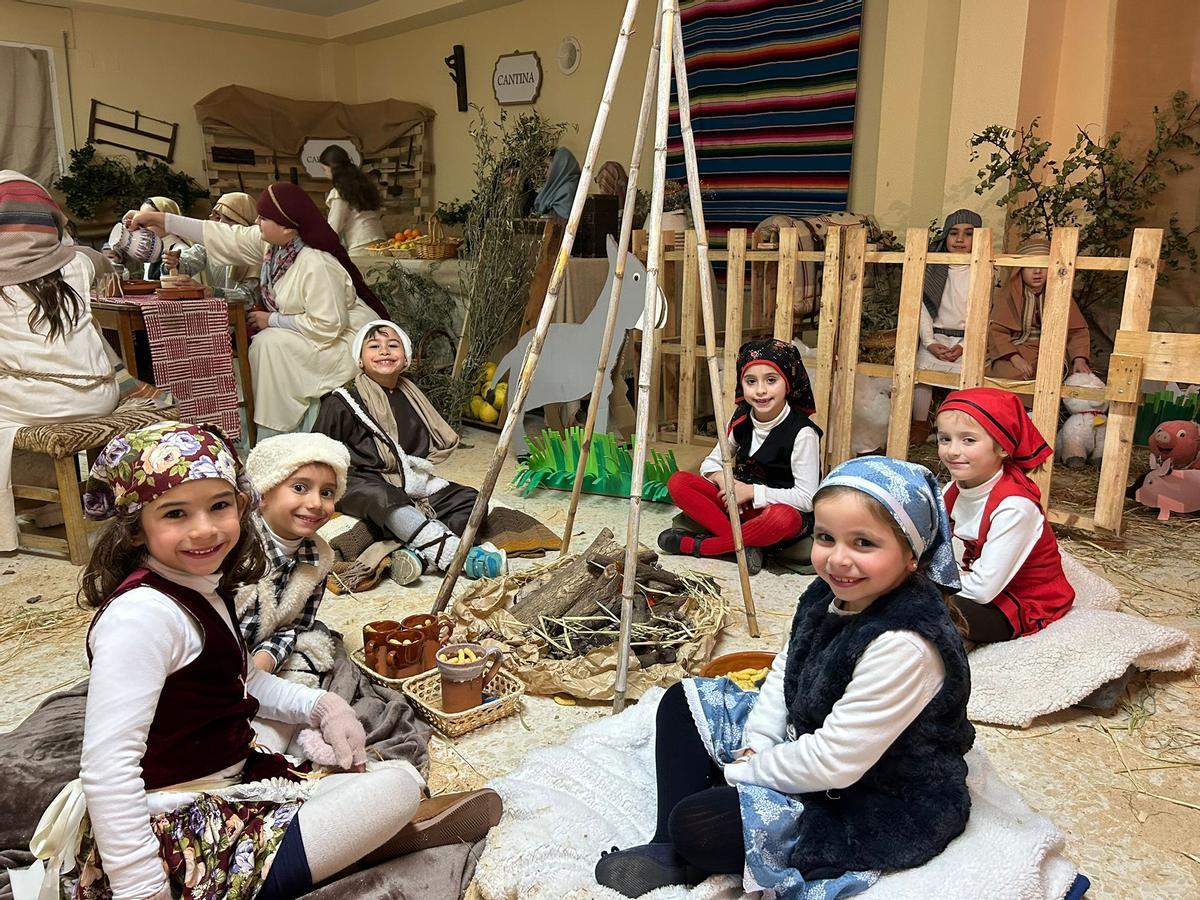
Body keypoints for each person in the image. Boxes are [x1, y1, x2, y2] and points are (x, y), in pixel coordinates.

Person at [29, 420, 499, 900]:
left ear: (240, 505)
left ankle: (335, 840)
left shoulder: (200, 586)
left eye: (218, 506)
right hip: (174, 833)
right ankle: (325, 854)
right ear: (134, 529)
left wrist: (323, 706)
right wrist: (143, 888)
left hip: (220, 780)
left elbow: (240, 681)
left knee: (374, 775)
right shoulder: (142, 616)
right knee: (395, 789)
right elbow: (109, 770)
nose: (205, 529)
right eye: (175, 514)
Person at [596, 456, 973, 897]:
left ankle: (685, 840)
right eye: (826, 538)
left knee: (699, 823)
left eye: (864, 544)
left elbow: (835, 762)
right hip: (808, 741)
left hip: (874, 791)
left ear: (912, 556)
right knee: (682, 701)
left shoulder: (906, 645)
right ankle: (667, 847)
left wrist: (745, 772)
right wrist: (758, 741)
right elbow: (785, 670)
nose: (838, 559)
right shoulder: (825, 591)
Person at [125, 182, 390, 436]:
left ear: (287, 227)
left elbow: (328, 325)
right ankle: (276, 432)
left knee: (269, 345)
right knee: (267, 345)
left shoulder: (316, 263)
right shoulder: (274, 248)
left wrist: (272, 319)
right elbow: (224, 235)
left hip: (344, 339)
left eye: (263, 218)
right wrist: (161, 220)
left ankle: (284, 432)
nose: (256, 222)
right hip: (313, 332)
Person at [314, 320, 504, 581]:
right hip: (362, 480)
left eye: (393, 345)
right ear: (360, 360)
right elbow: (318, 449)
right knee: (383, 498)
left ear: (405, 359)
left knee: (469, 499)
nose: (384, 351)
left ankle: (417, 554)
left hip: (408, 477)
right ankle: (448, 553)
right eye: (374, 346)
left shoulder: (412, 395)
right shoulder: (342, 402)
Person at [0, 170, 118, 553]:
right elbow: (102, 261)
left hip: (39, 404)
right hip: (98, 395)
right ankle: (49, 505)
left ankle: (32, 499)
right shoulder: (78, 265)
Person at [657, 339, 820, 574]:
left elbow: (807, 498)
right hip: (736, 504)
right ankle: (746, 544)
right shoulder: (741, 418)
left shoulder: (802, 433)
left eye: (771, 380)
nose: (760, 390)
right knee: (679, 482)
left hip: (776, 508)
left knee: (783, 518)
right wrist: (726, 483)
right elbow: (712, 462)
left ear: (788, 383)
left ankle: (701, 546)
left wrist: (752, 492)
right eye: (751, 381)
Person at [236, 432, 349, 756]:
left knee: (316, 650)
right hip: (217, 664)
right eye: (300, 488)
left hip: (260, 659)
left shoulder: (319, 558)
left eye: (327, 492)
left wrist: (265, 660)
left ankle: (280, 750)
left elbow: (295, 626)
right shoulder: (235, 548)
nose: (316, 503)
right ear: (264, 493)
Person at [936, 387, 1075, 642]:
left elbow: (982, 590)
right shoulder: (952, 490)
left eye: (968, 440)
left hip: (1020, 600)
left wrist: (924, 580)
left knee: (921, 606)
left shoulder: (1014, 506)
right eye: (945, 439)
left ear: (1003, 447)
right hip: (983, 579)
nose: (952, 451)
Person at [912, 209, 983, 439]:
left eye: (968, 233)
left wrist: (964, 344)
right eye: (954, 233)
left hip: (966, 340)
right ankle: (920, 424)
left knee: (965, 374)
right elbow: (922, 307)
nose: (960, 240)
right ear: (946, 237)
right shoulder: (933, 268)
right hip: (936, 336)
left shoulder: (982, 272)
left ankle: (953, 428)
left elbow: (983, 313)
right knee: (922, 372)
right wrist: (930, 342)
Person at [988, 237, 1092, 380]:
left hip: (1051, 352)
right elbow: (997, 332)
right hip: (1016, 349)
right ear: (1020, 270)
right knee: (1009, 373)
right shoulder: (1009, 295)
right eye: (1031, 266)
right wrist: (1015, 358)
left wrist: (1079, 358)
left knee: (1048, 376)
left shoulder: (1060, 295)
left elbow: (1077, 331)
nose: (1037, 271)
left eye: (1043, 265)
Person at [164, 191, 262, 306]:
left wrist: (212, 292)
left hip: (246, 318)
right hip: (215, 312)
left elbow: (250, 297)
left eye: (225, 218)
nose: (217, 224)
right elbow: (188, 263)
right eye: (216, 218)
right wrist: (175, 263)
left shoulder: (256, 250)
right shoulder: (211, 243)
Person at [319, 145, 386, 253]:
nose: (324, 174)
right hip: (379, 240)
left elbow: (334, 226)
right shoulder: (364, 184)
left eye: (324, 169)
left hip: (360, 244)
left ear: (333, 168)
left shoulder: (340, 192)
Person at [532, 147, 582, 221]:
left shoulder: (567, 191)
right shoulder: (555, 188)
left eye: (547, 167)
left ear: (559, 166)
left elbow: (559, 224)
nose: (544, 171)